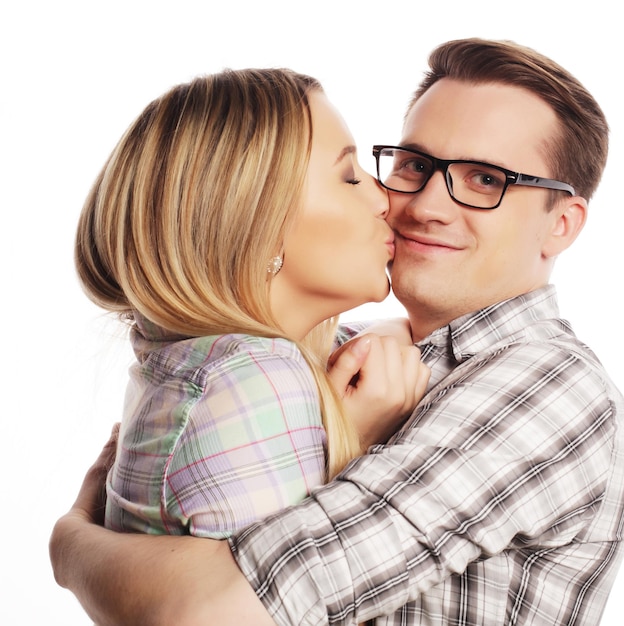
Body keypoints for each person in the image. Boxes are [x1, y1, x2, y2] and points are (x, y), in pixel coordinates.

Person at [50, 38, 624, 625]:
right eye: (415, 166)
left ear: (561, 224)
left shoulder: (549, 385)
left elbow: (214, 612)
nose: (426, 204)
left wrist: (70, 546)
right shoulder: (310, 354)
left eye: (484, 180)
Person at [71, 67, 429, 541]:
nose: (383, 197)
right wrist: (358, 446)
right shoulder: (258, 381)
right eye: (347, 176)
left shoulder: (191, 361)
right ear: (255, 224)